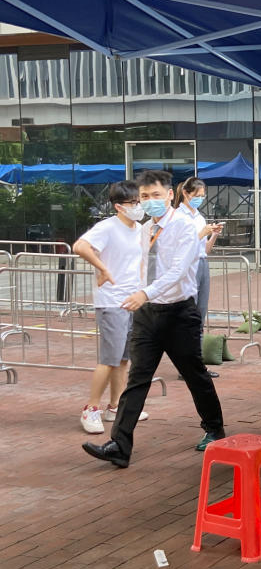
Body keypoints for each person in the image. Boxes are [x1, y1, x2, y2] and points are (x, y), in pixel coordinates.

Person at [81, 170, 227, 468]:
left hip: (179, 312)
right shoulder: (146, 229)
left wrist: (143, 294)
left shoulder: (185, 227)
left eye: (155, 195)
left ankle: (214, 428)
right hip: (148, 314)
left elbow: (176, 272)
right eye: (144, 197)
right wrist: (107, 273)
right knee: (137, 378)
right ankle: (119, 446)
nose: (149, 202)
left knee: (193, 373)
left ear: (171, 195)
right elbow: (142, 268)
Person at [73, 181, 149, 433]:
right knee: (109, 358)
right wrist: (102, 268)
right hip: (111, 301)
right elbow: (80, 246)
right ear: (118, 206)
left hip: (132, 300)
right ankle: (91, 408)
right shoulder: (107, 227)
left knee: (124, 358)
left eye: (140, 201)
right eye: (133, 202)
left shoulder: (140, 229)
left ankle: (115, 405)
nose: (138, 206)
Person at [174, 177, 223, 377]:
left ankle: (197, 363)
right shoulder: (177, 216)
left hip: (201, 263)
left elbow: (205, 249)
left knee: (200, 314)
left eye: (202, 196)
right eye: (197, 195)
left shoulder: (199, 217)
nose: (200, 199)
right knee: (187, 314)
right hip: (188, 266)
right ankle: (184, 365)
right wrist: (202, 233)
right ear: (186, 193)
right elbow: (183, 246)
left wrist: (214, 234)